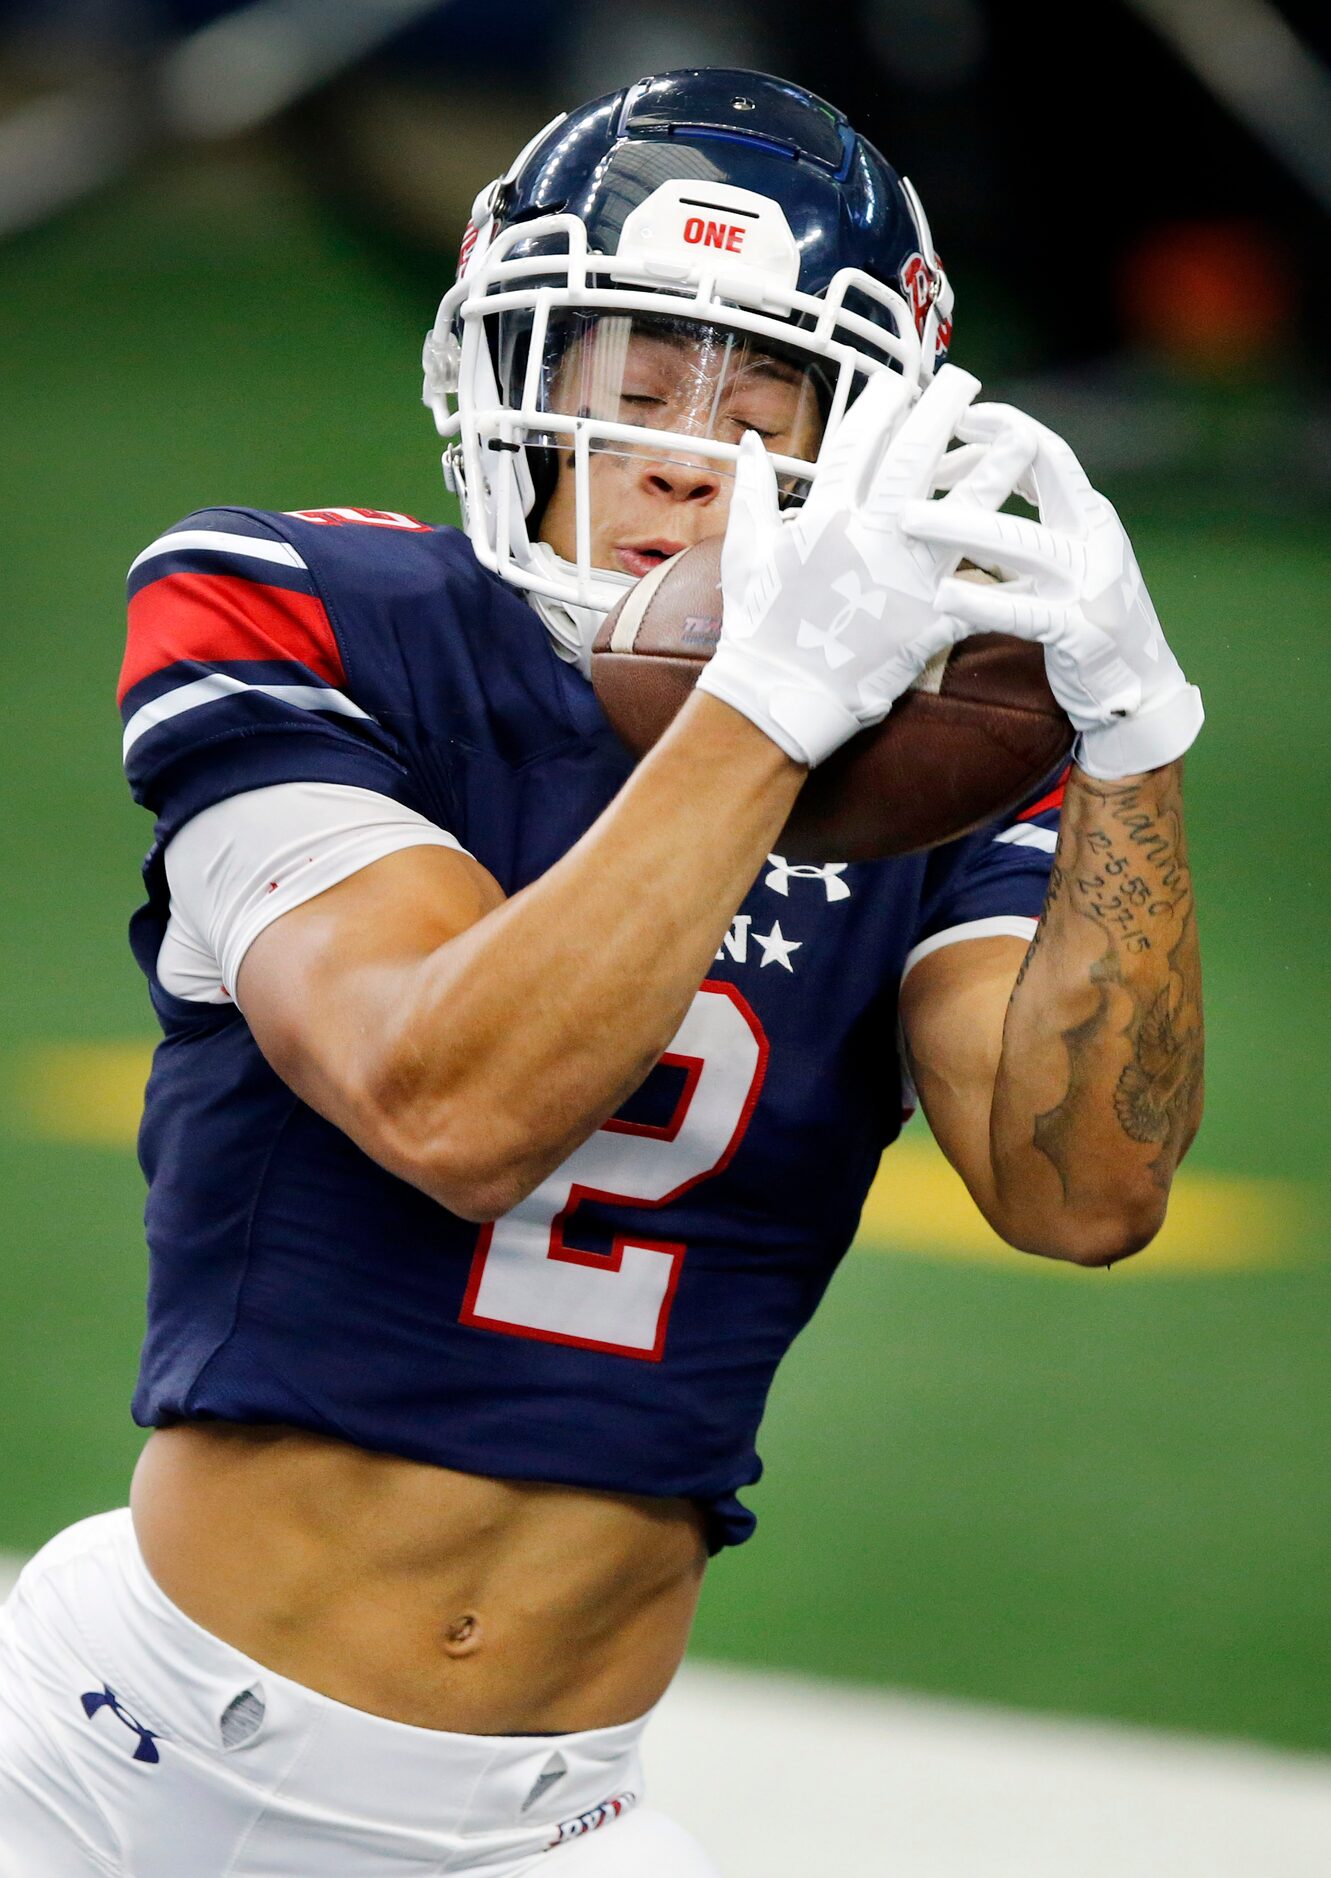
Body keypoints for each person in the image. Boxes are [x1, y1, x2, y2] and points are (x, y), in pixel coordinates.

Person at [0, 67, 1204, 1876]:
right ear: (512, 383)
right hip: (114, 1758)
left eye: (760, 396)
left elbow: (1084, 1188)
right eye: (628, 384)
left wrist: (1132, 739)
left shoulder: (937, 765)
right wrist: (769, 709)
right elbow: (445, 1094)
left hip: (545, 1820)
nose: (680, 451)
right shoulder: (297, 610)